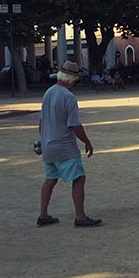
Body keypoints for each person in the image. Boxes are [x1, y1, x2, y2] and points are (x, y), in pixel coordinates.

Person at [37, 60, 102, 228]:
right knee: (79, 178)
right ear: (71, 79)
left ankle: (42, 215)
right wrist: (87, 142)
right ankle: (80, 217)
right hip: (64, 146)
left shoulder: (48, 93)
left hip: (48, 145)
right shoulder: (69, 97)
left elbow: (41, 122)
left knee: (50, 179)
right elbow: (74, 125)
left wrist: (44, 140)